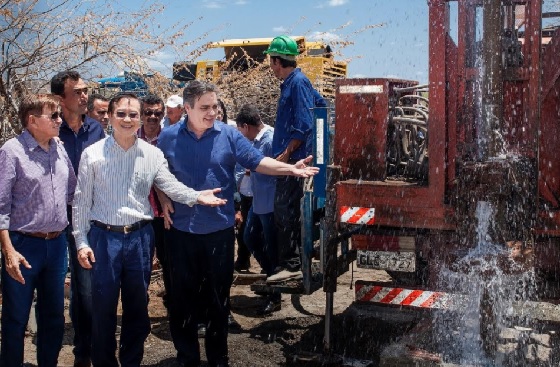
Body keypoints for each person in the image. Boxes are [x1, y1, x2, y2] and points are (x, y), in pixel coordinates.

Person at [157, 80, 319, 367]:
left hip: (218, 233)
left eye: (215, 106)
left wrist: (291, 169)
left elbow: (258, 161)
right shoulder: (168, 137)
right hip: (180, 232)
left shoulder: (229, 135)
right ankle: (187, 358)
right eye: (205, 107)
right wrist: (162, 196)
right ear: (187, 108)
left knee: (218, 301)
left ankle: (219, 359)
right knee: (182, 301)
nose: (213, 112)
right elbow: (156, 172)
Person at [72, 92, 227, 367]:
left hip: (140, 239)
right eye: (121, 114)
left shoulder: (153, 154)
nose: (128, 119)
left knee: (137, 311)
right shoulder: (92, 155)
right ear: (110, 116)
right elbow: (81, 203)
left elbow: (169, 185)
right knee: (103, 310)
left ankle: (132, 361)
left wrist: (195, 196)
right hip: (103, 239)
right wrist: (82, 242)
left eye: (133, 114)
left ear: (141, 117)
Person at [0, 94, 77, 367]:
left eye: (59, 115)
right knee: (16, 316)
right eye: (53, 116)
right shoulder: (12, 151)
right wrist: (8, 250)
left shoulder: (59, 147)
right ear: (32, 121)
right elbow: (1, 207)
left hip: (57, 246)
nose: (59, 120)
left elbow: (72, 192)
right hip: (23, 245)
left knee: (54, 315)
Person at [51, 70, 105, 367]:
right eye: (78, 92)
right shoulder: (50, 130)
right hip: (55, 220)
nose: (85, 96)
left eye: (86, 90)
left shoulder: (96, 130)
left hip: (88, 219)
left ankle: (84, 351)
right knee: (52, 284)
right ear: (61, 99)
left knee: (86, 287)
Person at [264, 35, 317, 283]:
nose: (270, 66)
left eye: (271, 60)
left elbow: (305, 123)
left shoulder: (297, 83)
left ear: (276, 60)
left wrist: (286, 153)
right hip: (291, 159)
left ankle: (292, 263)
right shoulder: (292, 83)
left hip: (293, 161)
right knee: (286, 211)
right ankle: (291, 261)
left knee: (284, 211)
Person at [235, 104, 281, 315]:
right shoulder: (257, 140)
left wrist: (252, 167)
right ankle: (271, 277)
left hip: (270, 202)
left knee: (271, 248)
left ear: (245, 126)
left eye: (240, 130)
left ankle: (275, 293)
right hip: (258, 200)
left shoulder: (268, 140)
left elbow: (273, 168)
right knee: (250, 237)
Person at [137, 93, 171, 308]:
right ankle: (140, 302)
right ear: (141, 114)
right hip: (139, 210)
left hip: (165, 211)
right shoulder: (130, 138)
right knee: (141, 262)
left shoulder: (170, 139)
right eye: (148, 112)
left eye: (157, 113)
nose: (152, 117)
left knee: (168, 259)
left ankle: (173, 300)